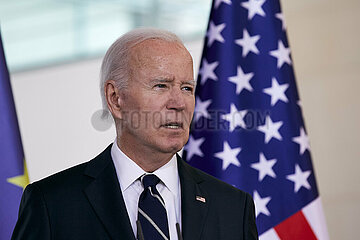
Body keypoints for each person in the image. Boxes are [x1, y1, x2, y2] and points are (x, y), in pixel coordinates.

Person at [11, 28, 258, 240]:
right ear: (115, 99)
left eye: (186, 88)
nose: (179, 103)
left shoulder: (233, 207)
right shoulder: (52, 204)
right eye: (161, 85)